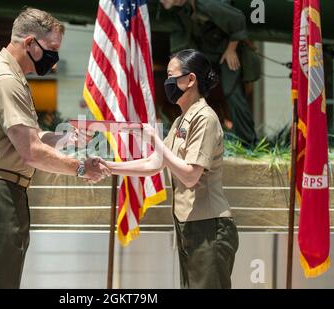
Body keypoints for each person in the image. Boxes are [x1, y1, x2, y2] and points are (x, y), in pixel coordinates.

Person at [0, 7, 110, 289]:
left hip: (0, 191)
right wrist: (79, 168)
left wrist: (71, 138)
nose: (54, 58)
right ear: (29, 43)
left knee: (1, 280)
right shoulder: (5, 80)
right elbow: (31, 151)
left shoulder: (11, 77)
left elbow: (34, 137)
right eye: (51, 49)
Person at [104, 49, 239, 289]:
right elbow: (155, 162)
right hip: (189, 224)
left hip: (209, 226)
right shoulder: (182, 120)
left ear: (190, 80)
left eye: (171, 76)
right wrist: (109, 166)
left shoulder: (205, 118)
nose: (167, 83)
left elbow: (190, 175)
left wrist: (154, 139)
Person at [160, 0, 258, 146]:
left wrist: (231, 49)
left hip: (227, 52)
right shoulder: (182, 9)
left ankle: (249, 142)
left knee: (233, 94)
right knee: (190, 90)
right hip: (205, 53)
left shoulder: (207, 4)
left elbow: (238, 19)